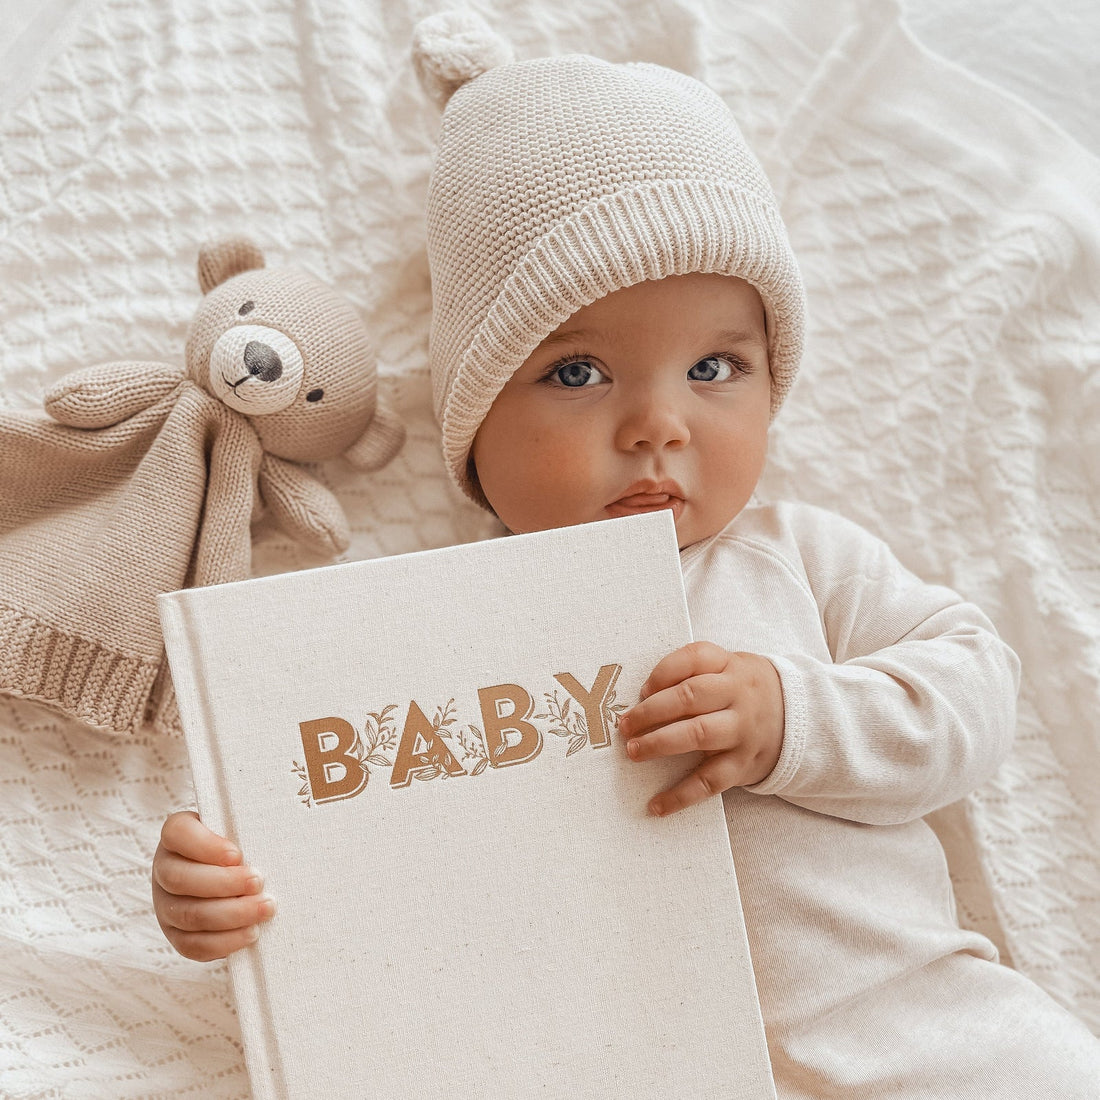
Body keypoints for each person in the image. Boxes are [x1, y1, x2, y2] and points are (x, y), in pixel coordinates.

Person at [152, 12, 1100, 1096]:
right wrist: (216, 886)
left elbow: (970, 688)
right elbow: (348, 860)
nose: (658, 424)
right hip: (605, 1053)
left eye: (712, 367)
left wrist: (795, 718)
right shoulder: (415, 634)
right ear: (473, 417)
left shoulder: (794, 558)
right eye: (576, 374)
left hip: (907, 1022)